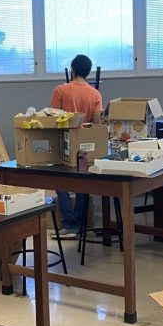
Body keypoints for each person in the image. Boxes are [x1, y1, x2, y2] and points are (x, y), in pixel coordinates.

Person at [50, 54, 104, 239]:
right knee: (83, 182)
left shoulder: (60, 90)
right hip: (85, 144)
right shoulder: (95, 93)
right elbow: (97, 123)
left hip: (64, 142)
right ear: (88, 72)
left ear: (72, 69)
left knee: (61, 183)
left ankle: (68, 224)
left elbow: (53, 118)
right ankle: (80, 224)